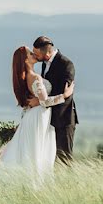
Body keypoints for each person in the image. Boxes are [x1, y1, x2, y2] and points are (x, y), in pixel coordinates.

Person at [0, 46, 74, 183]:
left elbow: (36, 101)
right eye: (30, 53)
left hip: (36, 116)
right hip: (38, 117)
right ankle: (36, 184)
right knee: (38, 152)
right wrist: (65, 95)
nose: (34, 54)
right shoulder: (35, 77)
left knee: (35, 151)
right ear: (25, 60)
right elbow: (45, 101)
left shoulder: (28, 76)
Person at [31, 36, 78, 164]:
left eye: (36, 53)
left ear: (46, 52)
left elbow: (64, 93)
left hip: (63, 119)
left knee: (64, 159)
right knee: (49, 159)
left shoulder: (66, 64)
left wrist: (41, 100)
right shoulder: (44, 64)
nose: (34, 55)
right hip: (47, 118)